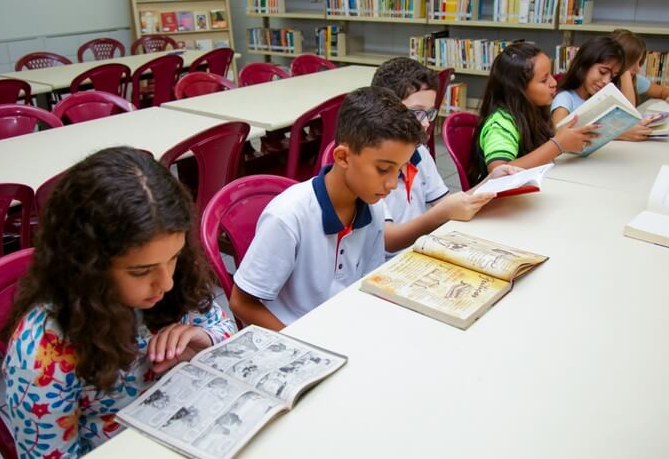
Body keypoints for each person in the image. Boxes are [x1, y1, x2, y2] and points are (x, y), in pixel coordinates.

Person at [1, 147, 235, 459]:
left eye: (174, 258)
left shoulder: (175, 283)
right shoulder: (43, 358)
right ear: (86, 265)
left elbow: (223, 327)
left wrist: (204, 340)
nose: (165, 283)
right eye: (141, 271)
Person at [230, 86, 425, 330]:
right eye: (383, 169)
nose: (392, 183)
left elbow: (366, 283)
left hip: (344, 326)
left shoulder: (374, 208)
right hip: (297, 336)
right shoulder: (288, 216)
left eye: (400, 170)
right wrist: (302, 344)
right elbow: (241, 303)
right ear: (343, 157)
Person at [371, 57, 518, 256]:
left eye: (429, 113)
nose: (424, 124)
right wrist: (442, 214)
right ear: (384, 108)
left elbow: (446, 204)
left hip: (418, 251)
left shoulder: (419, 152)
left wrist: (490, 182)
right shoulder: (372, 164)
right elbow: (389, 241)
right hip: (385, 264)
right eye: (416, 112)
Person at [469, 42, 597, 185]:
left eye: (551, 75)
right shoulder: (501, 123)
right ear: (518, 90)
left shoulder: (534, 110)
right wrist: (558, 145)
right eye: (544, 80)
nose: (554, 82)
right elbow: (499, 172)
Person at [551, 36, 659, 142]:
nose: (606, 81)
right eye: (602, 72)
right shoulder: (565, 98)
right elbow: (560, 135)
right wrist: (619, 133)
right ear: (584, 64)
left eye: (612, 76)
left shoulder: (599, 98)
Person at [609, 28, 669, 107]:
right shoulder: (602, 81)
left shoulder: (635, 80)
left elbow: (663, 91)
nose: (638, 69)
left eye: (639, 63)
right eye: (632, 63)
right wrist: (625, 72)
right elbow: (628, 109)